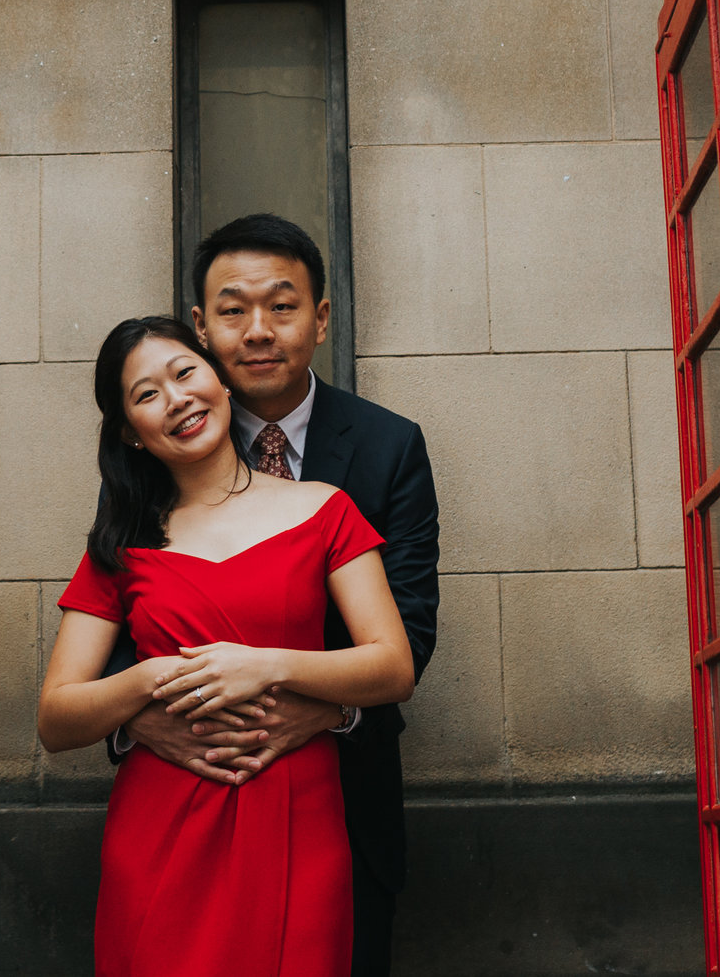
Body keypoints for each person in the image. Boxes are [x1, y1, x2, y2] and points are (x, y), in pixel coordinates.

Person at [114, 215, 441, 977]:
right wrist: (139, 726)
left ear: (321, 318)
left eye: (283, 306)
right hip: (187, 794)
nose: (258, 330)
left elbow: (410, 630)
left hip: (341, 807)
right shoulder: (154, 449)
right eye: (232, 310)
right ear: (200, 325)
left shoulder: (389, 447)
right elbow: (124, 620)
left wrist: (325, 707)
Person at [39, 316, 415, 977]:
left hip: (296, 812)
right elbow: (57, 718)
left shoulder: (324, 508)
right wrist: (149, 679)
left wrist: (265, 665)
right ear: (131, 431)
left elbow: (393, 665)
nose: (176, 398)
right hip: (161, 822)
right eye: (146, 393)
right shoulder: (120, 546)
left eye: (185, 372)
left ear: (217, 377)